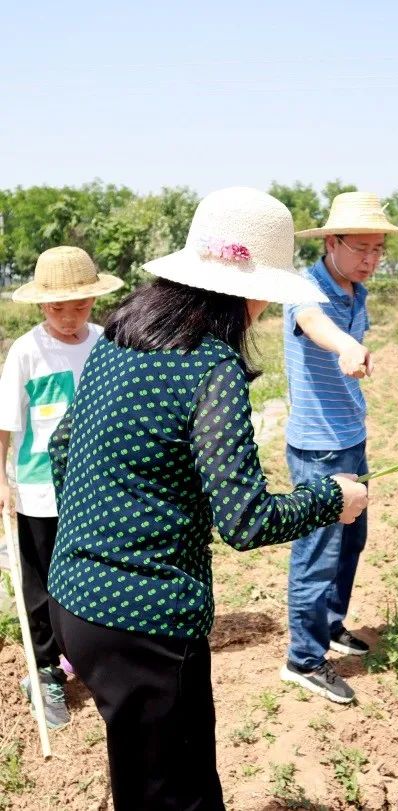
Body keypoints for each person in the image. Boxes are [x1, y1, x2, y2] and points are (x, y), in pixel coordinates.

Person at [45, 187, 369, 811]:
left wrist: (121, 512)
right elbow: (245, 519)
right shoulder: (211, 366)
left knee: (148, 779)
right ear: (251, 293)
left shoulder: (121, 334)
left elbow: (63, 447)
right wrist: (333, 497)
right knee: (181, 793)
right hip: (149, 622)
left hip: (77, 604)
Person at [280, 192, 398, 703]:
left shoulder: (357, 291)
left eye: (379, 249)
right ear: (331, 243)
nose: (371, 258)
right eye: (362, 248)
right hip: (318, 448)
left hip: (350, 439)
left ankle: (331, 624)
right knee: (318, 551)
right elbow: (315, 326)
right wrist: (347, 346)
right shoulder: (305, 287)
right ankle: (304, 659)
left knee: (351, 541)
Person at [0, 245, 123, 728]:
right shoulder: (27, 351)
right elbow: (6, 424)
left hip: (92, 487)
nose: (70, 318)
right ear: (40, 305)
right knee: (41, 587)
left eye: (80, 306)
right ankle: (45, 669)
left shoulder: (106, 343)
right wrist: (2, 482)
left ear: (94, 301)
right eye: (58, 308)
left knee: (89, 578)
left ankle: (88, 657)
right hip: (38, 491)